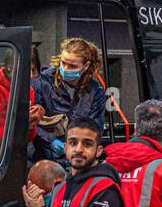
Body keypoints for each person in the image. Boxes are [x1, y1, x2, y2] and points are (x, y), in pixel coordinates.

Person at [29, 38, 107, 166]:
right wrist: (51, 141)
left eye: (72, 66)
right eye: (63, 63)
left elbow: (94, 128)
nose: (65, 68)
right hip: (45, 160)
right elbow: (32, 124)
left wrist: (75, 146)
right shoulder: (42, 83)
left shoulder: (95, 91)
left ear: (85, 66)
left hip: (77, 160)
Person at [0, 58, 42, 168]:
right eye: (27, 70)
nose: (30, 76)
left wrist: (31, 124)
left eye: (33, 70)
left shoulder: (27, 90)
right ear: (11, 68)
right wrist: (21, 122)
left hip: (16, 158)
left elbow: (27, 138)